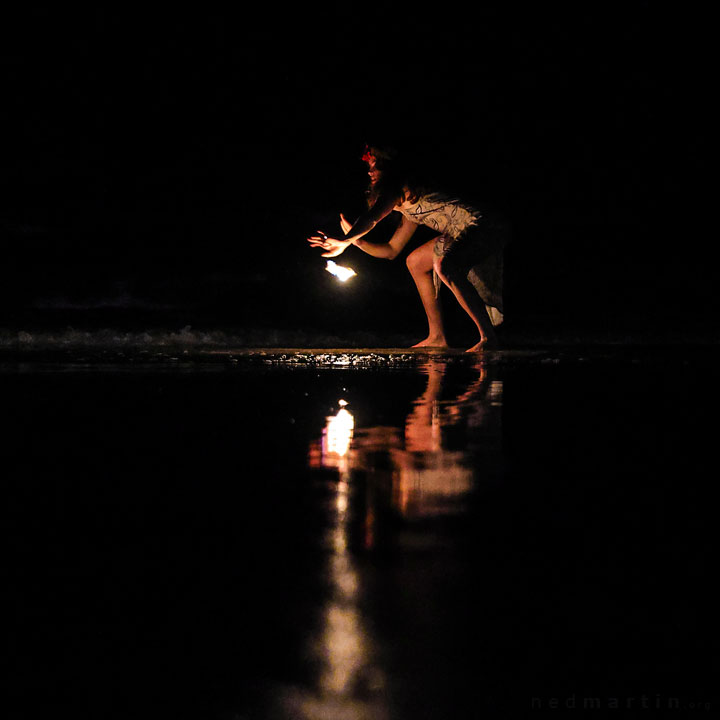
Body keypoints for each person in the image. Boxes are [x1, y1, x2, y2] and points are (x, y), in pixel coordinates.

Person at [308, 144, 507, 351]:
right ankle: (437, 337)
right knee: (415, 261)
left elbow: (372, 218)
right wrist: (355, 242)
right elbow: (391, 250)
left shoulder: (400, 188)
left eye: (375, 165)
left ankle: (488, 338)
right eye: (369, 167)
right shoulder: (409, 207)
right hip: (462, 232)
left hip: (484, 224)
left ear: (390, 169)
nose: (370, 172)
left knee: (446, 265)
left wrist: (345, 240)